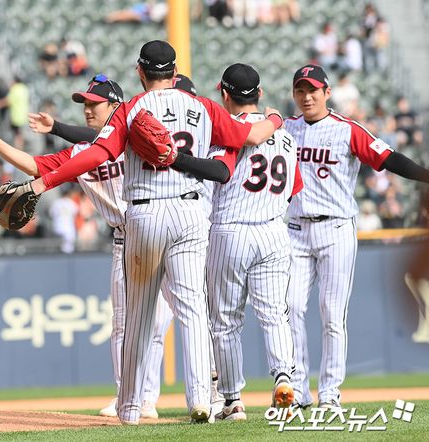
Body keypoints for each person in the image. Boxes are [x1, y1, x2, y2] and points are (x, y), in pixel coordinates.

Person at [25, 40, 284, 424]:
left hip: (145, 213)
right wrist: (276, 119)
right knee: (193, 309)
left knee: (139, 316)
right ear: (175, 73)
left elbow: (97, 153)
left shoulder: (131, 108)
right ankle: (201, 399)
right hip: (190, 211)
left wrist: (42, 183)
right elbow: (251, 137)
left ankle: (130, 407)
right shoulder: (204, 106)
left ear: (140, 72)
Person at [0, 74, 174, 419]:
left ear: (115, 105)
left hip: (163, 228)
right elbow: (34, 165)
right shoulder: (80, 155)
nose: (88, 109)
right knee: (124, 323)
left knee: (164, 321)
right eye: (85, 104)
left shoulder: (137, 138)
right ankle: (129, 397)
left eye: (94, 104)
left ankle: (178, 395)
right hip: (125, 238)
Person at [285, 64, 429, 410]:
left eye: (313, 90)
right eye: (301, 90)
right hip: (295, 229)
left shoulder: (347, 130)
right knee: (289, 308)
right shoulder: (286, 129)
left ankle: (330, 393)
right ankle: (299, 392)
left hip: (335, 228)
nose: (307, 97)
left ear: (327, 93)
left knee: (332, 314)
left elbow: (388, 158)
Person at [204, 64, 302, 420]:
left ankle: (233, 400)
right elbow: (294, 188)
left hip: (231, 229)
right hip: (274, 230)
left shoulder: (227, 132)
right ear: (259, 93)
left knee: (226, 321)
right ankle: (284, 378)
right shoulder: (287, 137)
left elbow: (215, 175)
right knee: (275, 315)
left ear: (224, 94)